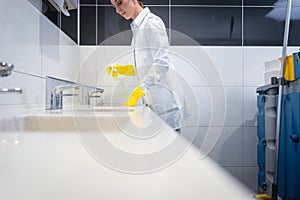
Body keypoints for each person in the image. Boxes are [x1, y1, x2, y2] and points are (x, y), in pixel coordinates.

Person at [108, 0, 190, 132]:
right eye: (114, 6)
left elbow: (162, 61)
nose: (117, 10)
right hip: (156, 105)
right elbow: (147, 65)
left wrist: (140, 90)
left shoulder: (151, 23)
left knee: (168, 150)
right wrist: (124, 70)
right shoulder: (138, 28)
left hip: (166, 105)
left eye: (120, 2)